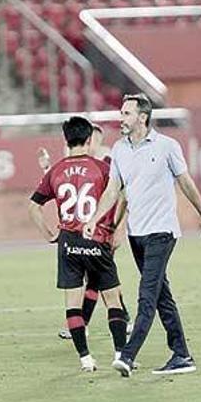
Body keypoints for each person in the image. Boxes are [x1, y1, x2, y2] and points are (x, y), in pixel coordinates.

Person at [84, 93, 201, 377]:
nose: (121, 119)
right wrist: (95, 219)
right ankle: (182, 354)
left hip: (162, 232)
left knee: (146, 295)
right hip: (137, 234)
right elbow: (113, 191)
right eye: (122, 113)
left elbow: (186, 183)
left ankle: (128, 355)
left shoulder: (167, 146)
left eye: (126, 114)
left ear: (142, 117)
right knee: (161, 296)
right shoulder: (119, 150)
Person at [28, 116, 129, 372]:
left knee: (73, 303)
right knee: (113, 300)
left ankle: (85, 358)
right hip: (95, 237)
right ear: (88, 139)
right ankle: (120, 354)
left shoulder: (57, 170)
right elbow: (122, 195)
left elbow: (34, 206)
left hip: (68, 242)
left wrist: (49, 233)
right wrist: (117, 228)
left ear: (66, 140)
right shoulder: (102, 168)